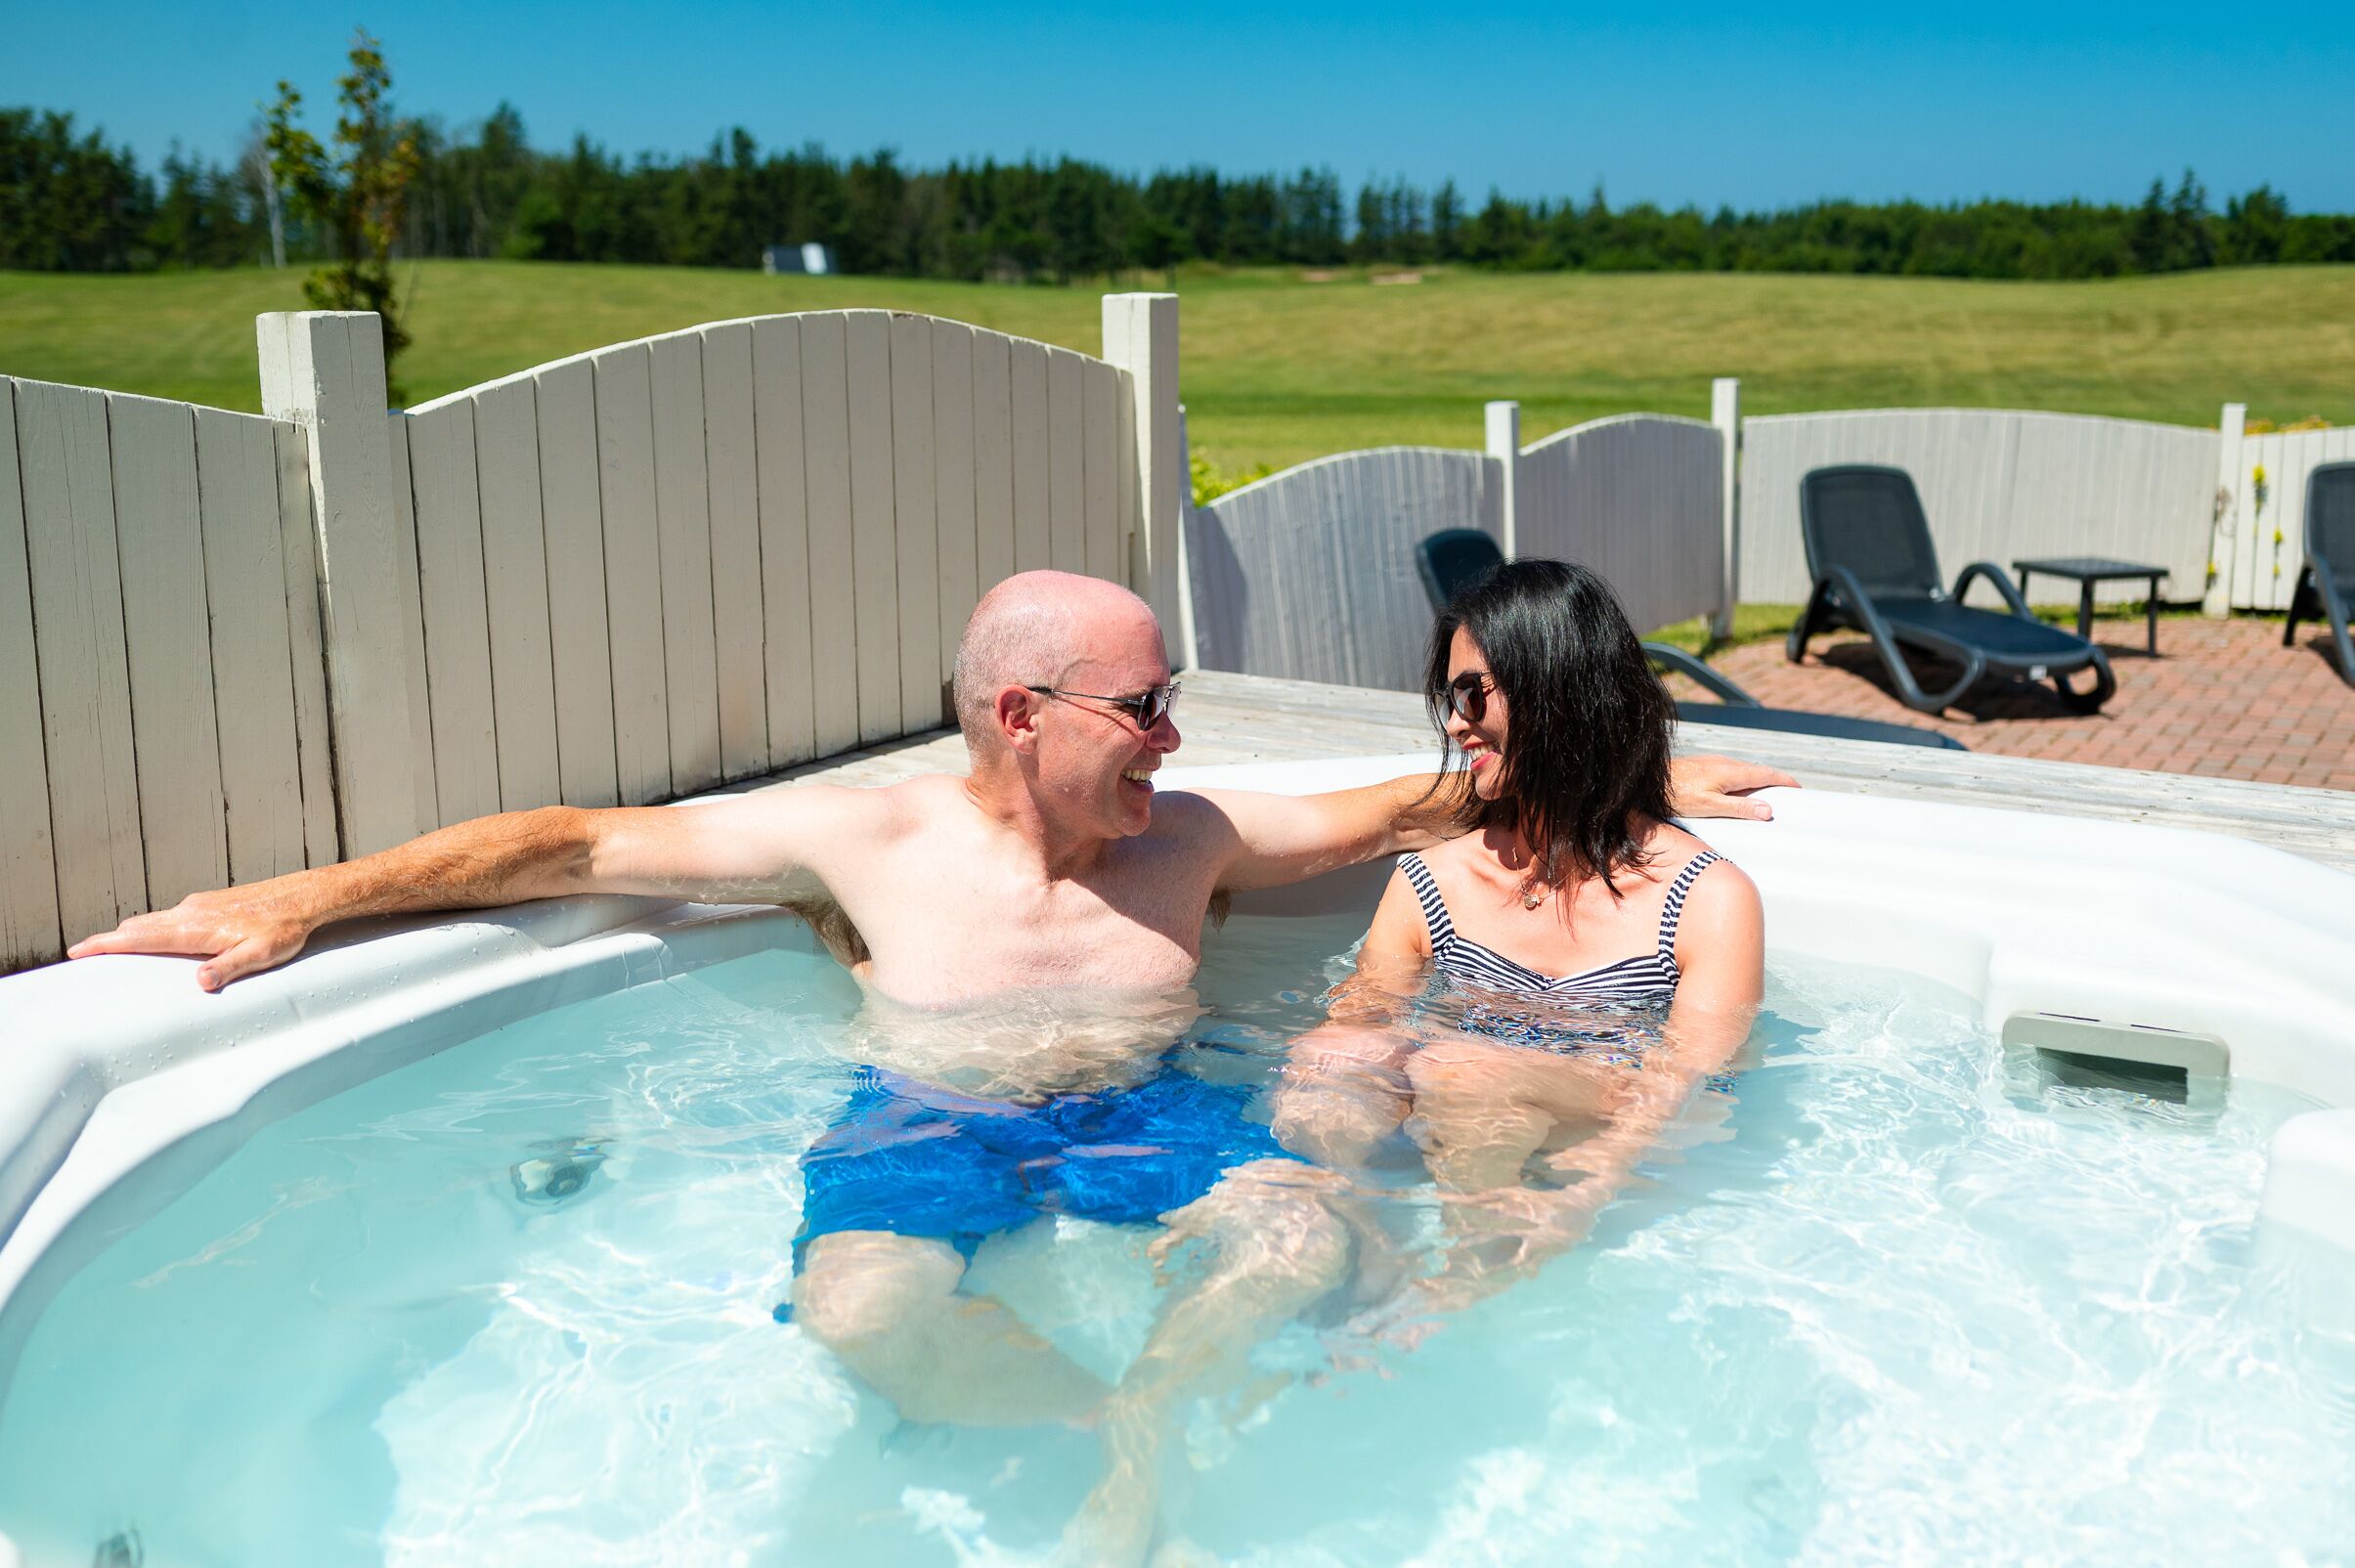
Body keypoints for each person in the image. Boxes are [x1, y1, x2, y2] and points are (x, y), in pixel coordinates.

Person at [70, 569, 1790, 1562]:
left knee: (1292, 1232)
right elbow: (576, 840)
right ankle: (1112, 1426)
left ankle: (1142, 1445)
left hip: (1150, 1110)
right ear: (1024, 711)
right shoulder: (866, 839)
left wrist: (1652, 771)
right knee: (860, 1310)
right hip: (930, 1118)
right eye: (1146, 705)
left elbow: (1422, 794)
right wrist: (305, 899)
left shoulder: (1182, 834)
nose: (1178, 738)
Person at [1274, 560, 1766, 1325]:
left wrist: (1585, 1191)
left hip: (1600, 1113)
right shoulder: (1432, 880)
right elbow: (1357, 1023)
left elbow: (1692, 1080)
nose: (1453, 723)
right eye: (1448, 697)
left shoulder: (1707, 897)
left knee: (1462, 1067)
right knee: (1329, 1055)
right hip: (1458, 1098)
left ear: (1555, 689)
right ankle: (1356, 1233)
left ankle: (1467, 1279)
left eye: (1472, 694)